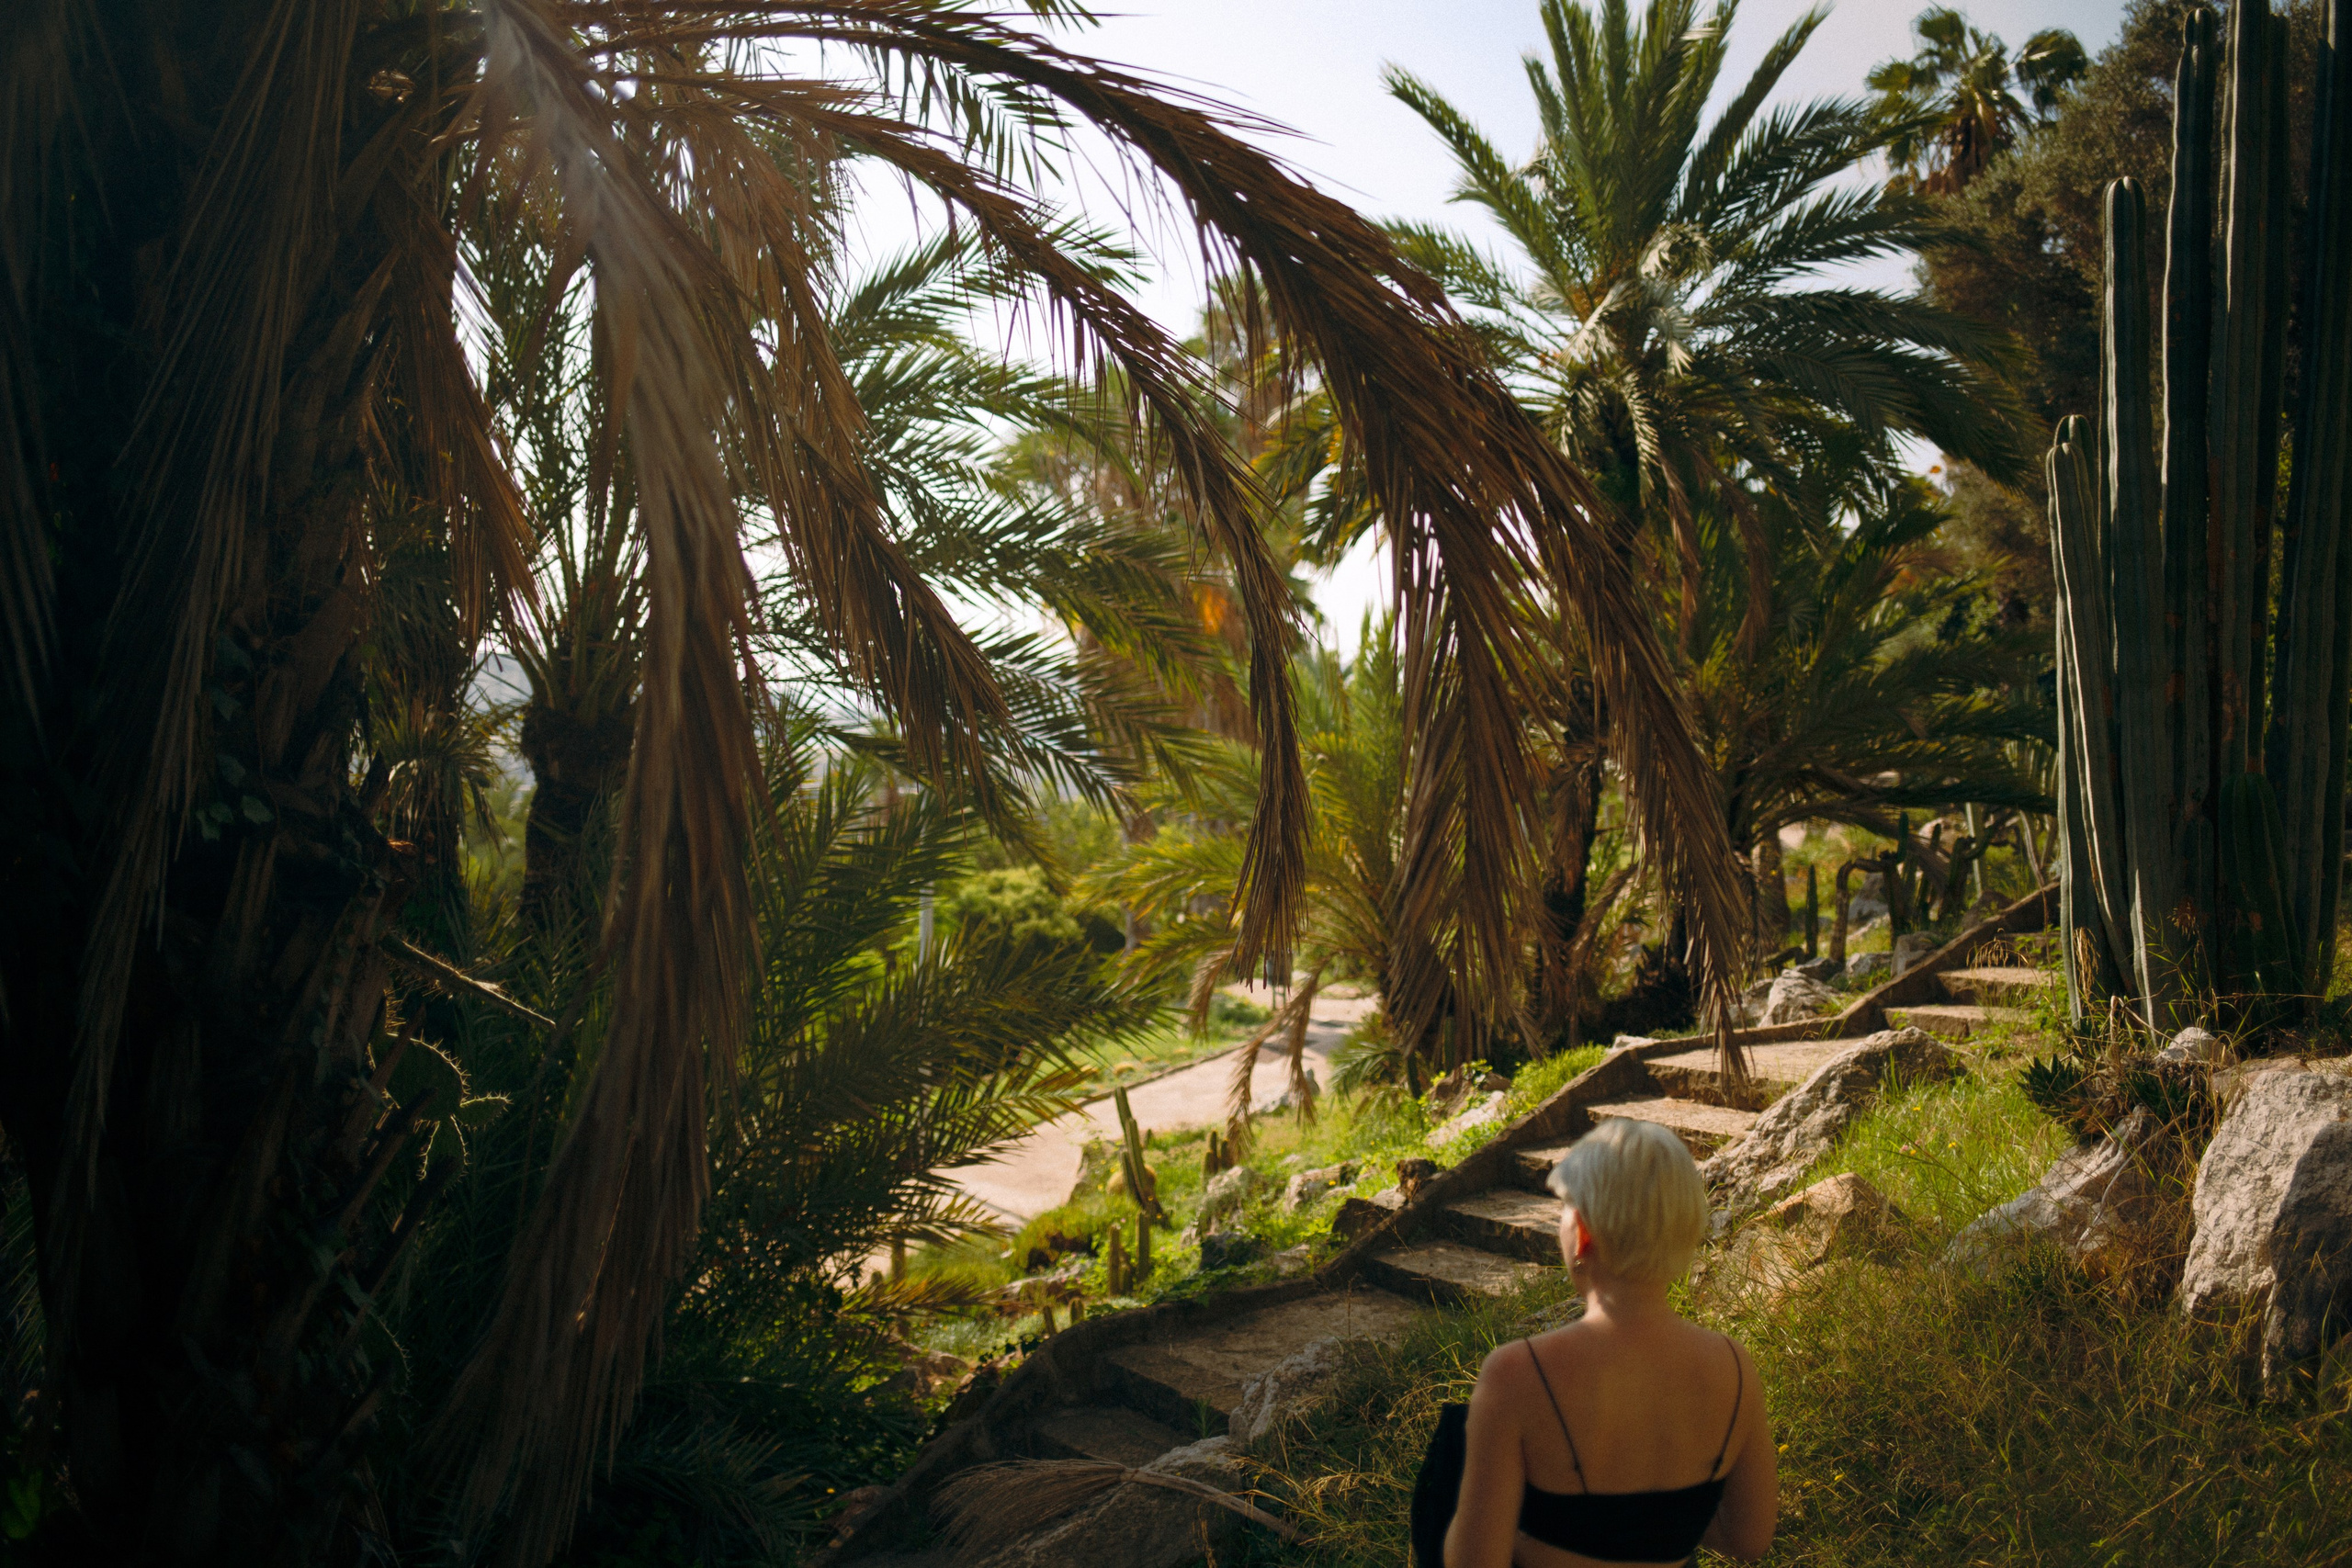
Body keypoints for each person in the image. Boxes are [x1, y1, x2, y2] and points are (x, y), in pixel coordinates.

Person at [1444, 1118, 1776, 1566]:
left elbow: (1474, 1561)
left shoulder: (1516, 1374)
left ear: (1583, 1231)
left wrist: (1526, 1539)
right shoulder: (1733, 1365)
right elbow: (1749, 1539)